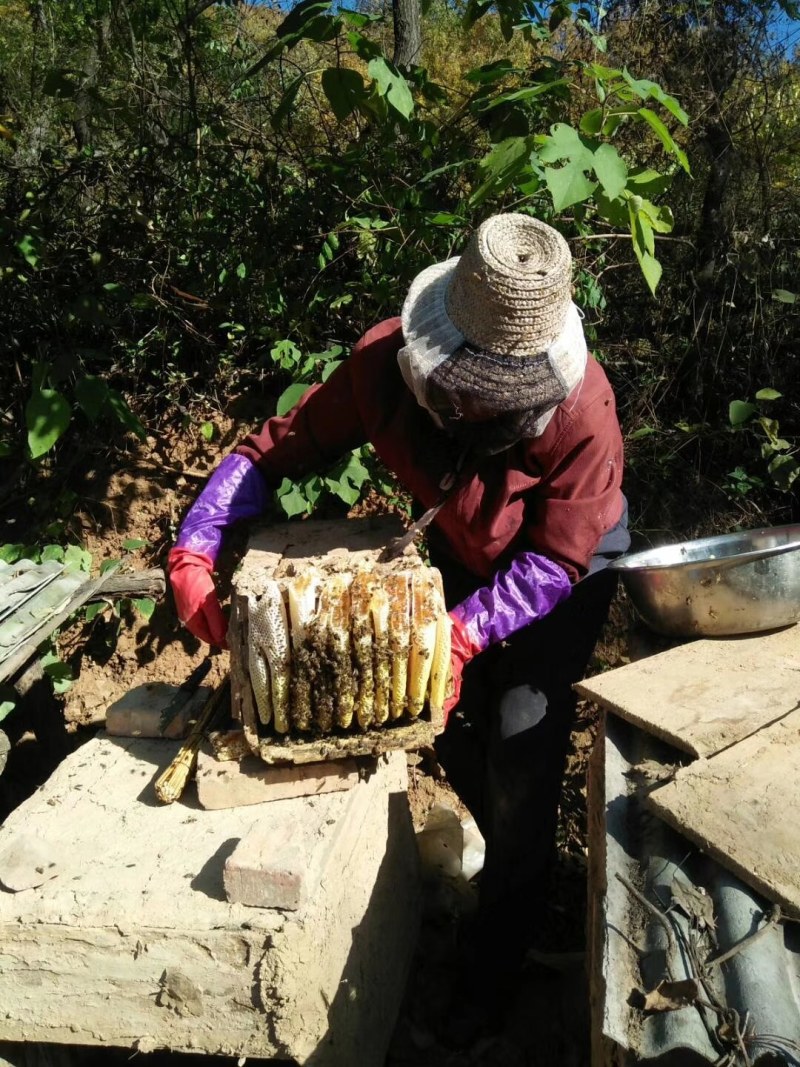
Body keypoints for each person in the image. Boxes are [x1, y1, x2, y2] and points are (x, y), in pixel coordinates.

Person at [169, 212, 629, 1026]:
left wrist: (462, 633)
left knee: (521, 737)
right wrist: (198, 543)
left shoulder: (583, 409)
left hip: (563, 566)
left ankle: (497, 962)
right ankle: (515, 866)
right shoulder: (384, 363)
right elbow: (280, 447)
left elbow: (555, 559)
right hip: (458, 540)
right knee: (429, 718)